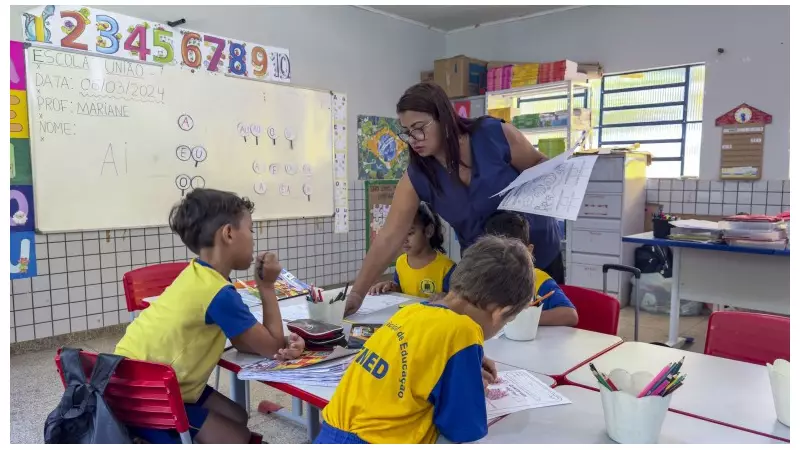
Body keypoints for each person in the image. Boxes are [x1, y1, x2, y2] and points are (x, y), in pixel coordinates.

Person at [345, 82, 562, 316]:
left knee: (543, 330)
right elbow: (388, 237)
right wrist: (356, 295)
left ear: (444, 118)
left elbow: (540, 165)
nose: (413, 138)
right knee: (494, 335)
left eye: (419, 127)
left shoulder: (493, 135)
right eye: (407, 132)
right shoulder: (419, 175)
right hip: (487, 270)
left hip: (537, 254)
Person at [114, 188, 305, 444]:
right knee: (237, 436)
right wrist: (267, 287)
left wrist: (272, 339)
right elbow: (271, 348)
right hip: (145, 395)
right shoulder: (218, 293)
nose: (252, 238)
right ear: (228, 233)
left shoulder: (198, 274)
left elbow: (242, 341)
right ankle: (145, 438)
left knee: (237, 415)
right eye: (250, 230)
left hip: (128, 377)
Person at [315, 236, 535, 444]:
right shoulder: (464, 331)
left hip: (330, 431)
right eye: (506, 322)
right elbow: (462, 428)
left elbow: (417, 363)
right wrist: (472, 388)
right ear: (499, 312)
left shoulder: (410, 312)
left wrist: (465, 365)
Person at [484, 211, 578, 327]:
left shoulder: (537, 279)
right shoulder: (485, 281)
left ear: (529, 251)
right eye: (497, 254)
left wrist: (526, 318)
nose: (505, 262)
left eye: (512, 254)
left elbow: (570, 315)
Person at [368, 202, 455, 298]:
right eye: (400, 233)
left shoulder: (447, 268)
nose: (404, 239)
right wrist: (390, 287)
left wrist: (446, 298)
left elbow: (457, 300)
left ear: (429, 231)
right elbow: (401, 290)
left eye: (410, 233)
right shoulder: (400, 262)